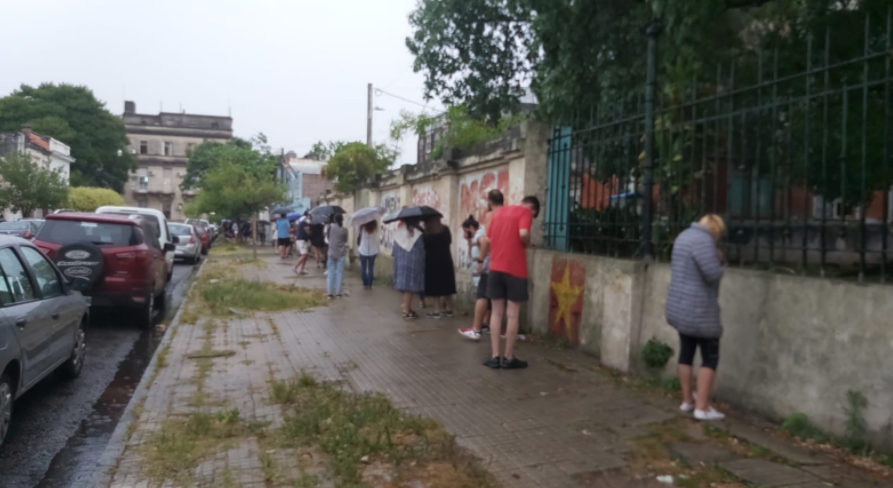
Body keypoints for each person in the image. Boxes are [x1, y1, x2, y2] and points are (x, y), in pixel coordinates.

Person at [666, 214, 727, 421]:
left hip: (680, 306)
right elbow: (712, 274)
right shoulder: (704, 241)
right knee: (710, 357)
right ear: (715, 230)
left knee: (686, 352)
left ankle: (687, 400)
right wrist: (719, 261)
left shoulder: (683, 236)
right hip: (701, 310)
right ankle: (702, 407)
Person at [484, 195, 540, 370]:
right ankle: (508, 357)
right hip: (515, 270)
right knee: (513, 315)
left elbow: (489, 239)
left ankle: (495, 356)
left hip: (495, 268)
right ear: (532, 208)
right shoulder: (525, 212)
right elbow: (523, 234)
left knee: (496, 313)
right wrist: (527, 242)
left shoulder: (498, 213)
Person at [422, 215, 457, 318]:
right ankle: (450, 309)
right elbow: (449, 241)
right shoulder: (445, 229)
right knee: (447, 284)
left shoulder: (427, 232)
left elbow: (424, 246)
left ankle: (436, 311)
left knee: (434, 286)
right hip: (445, 259)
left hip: (432, 261)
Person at [392, 217, 425, 320]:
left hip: (401, 262)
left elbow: (394, 250)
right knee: (410, 288)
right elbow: (421, 248)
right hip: (414, 263)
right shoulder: (418, 233)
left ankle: (408, 309)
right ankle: (406, 311)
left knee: (406, 287)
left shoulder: (399, 232)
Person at [326, 214, 349, 299]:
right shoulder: (344, 230)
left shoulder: (330, 228)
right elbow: (346, 240)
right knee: (339, 273)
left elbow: (328, 238)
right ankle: (339, 293)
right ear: (342, 220)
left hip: (331, 253)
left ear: (334, 220)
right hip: (341, 253)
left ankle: (330, 293)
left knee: (331, 273)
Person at [358, 220, 380, 288]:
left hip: (363, 251)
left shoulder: (362, 228)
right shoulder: (374, 230)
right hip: (372, 251)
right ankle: (370, 284)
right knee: (371, 267)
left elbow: (359, 238)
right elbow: (377, 240)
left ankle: (365, 283)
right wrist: (378, 250)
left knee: (363, 267)